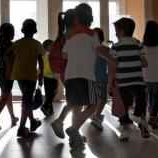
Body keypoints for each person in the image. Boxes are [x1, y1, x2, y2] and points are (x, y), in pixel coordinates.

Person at [62, 3, 116, 149]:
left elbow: (64, 55)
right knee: (93, 105)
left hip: (70, 76)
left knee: (76, 106)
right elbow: (99, 50)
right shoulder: (92, 34)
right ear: (91, 18)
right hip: (86, 76)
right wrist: (112, 59)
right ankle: (74, 129)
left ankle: (76, 138)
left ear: (76, 19)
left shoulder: (70, 35)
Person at [108, 17, 150, 141]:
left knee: (123, 106)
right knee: (141, 102)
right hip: (138, 81)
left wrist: (110, 83)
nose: (115, 34)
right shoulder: (138, 44)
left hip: (123, 82)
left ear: (121, 32)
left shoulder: (116, 47)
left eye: (116, 31)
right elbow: (145, 64)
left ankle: (125, 130)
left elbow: (112, 67)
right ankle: (143, 122)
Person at [9, 19, 44, 138]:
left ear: (22, 30)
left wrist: (9, 69)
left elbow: (10, 56)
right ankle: (21, 128)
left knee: (27, 99)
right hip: (30, 76)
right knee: (26, 101)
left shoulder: (17, 43)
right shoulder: (37, 44)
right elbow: (40, 61)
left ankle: (33, 122)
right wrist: (41, 74)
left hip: (19, 75)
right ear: (35, 31)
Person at [50, 9, 76, 139]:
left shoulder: (63, 35)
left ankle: (72, 129)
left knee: (74, 99)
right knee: (75, 100)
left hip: (64, 73)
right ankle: (61, 123)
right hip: (71, 72)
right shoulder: (71, 35)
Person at [0, 23, 18, 130]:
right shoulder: (13, 46)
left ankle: (13, 117)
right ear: (10, 34)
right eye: (13, 32)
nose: (14, 34)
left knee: (7, 95)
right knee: (5, 97)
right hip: (8, 73)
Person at [90, 28, 110, 130]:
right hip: (101, 78)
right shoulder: (106, 50)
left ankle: (95, 115)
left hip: (92, 78)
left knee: (94, 99)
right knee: (102, 99)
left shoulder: (89, 50)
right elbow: (110, 65)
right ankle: (97, 117)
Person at [40, 39, 58, 117]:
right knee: (52, 93)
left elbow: (40, 67)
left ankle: (49, 110)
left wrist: (39, 77)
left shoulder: (43, 55)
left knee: (49, 93)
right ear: (47, 47)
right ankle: (45, 106)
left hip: (46, 76)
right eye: (52, 46)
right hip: (51, 76)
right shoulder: (51, 55)